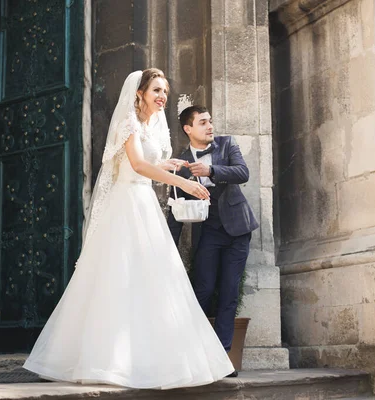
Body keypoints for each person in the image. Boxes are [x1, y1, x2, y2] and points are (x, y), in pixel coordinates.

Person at [23, 69, 235, 389]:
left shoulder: (150, 125)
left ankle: (147, 359)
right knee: (117, 279)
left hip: (144, 202)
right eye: (156, 90)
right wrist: (181, 183)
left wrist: (167, 166)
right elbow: (135, 165)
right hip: (126, 205)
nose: (162, 96)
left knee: (153, 279)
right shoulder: (128, 123)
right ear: (139, 93)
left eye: (165, 90)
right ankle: (107, 361)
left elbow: (146, 164)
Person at [168, 105, 259, 377]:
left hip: (238, 229)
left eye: (210, 121)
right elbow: (175, 205)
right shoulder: (181, 163)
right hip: (207, 233)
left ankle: (221, 359)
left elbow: (242, 173)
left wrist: (211, 170)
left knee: (230, 292)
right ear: (188, 129)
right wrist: (167, 247)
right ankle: (193, 354)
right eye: (203, 122)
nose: (210, 126)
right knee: (203, 290)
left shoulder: (226, 144)